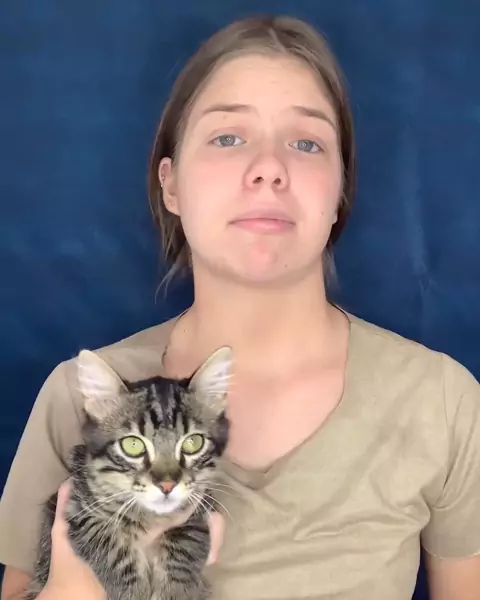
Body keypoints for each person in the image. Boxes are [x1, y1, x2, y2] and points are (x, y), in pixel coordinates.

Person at [1, 14, 479, 600]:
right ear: (170, 185)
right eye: (228, 138)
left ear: (339, 191)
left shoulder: (442, 402)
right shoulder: (76, 399)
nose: (269, 169)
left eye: (306, 143)